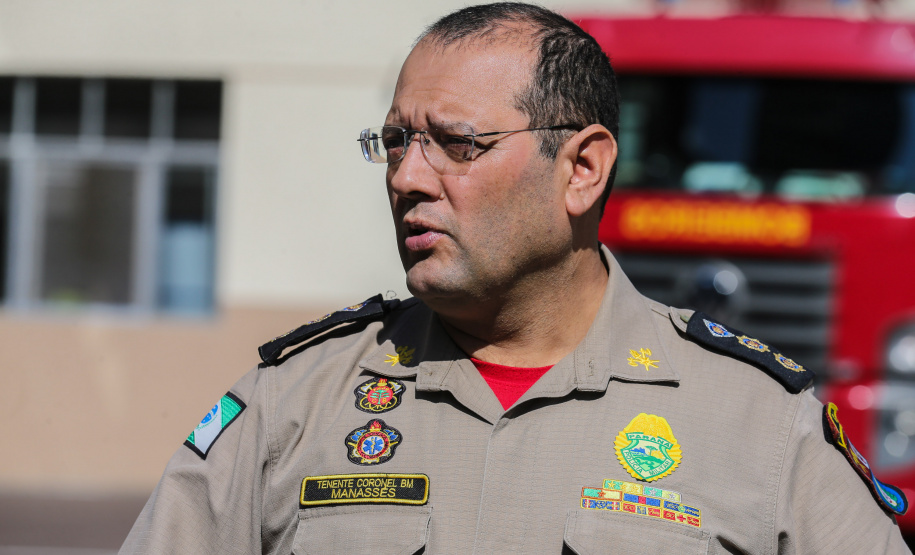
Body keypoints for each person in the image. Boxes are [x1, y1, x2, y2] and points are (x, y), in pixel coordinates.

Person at [121, 3, 911, 553]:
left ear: (582, 169)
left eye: (455, 143)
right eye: (395, 142)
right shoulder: (290, 404)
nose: (407, 177)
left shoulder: (760, 425)